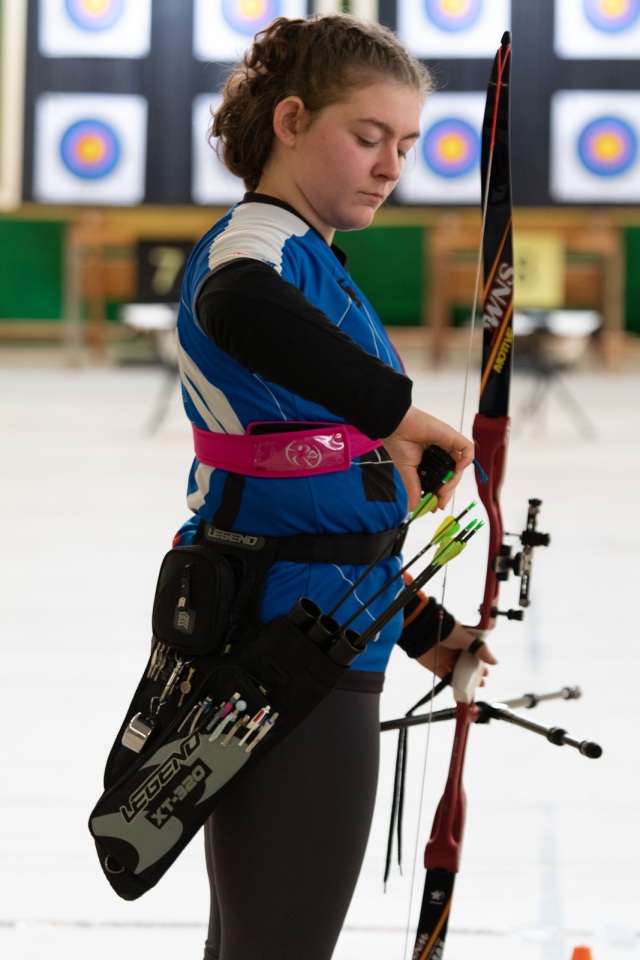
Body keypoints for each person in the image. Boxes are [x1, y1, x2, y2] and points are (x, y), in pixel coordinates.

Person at [173, 14, 496, 959]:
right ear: (289, 121)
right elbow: (235, 305)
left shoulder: (311, 259)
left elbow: (307, 497)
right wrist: (396, 411)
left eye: (407, 144)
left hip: (310, 619)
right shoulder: (256, 248)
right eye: (368, 136)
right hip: (288, 649)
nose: (391, 166)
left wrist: (422, 629)